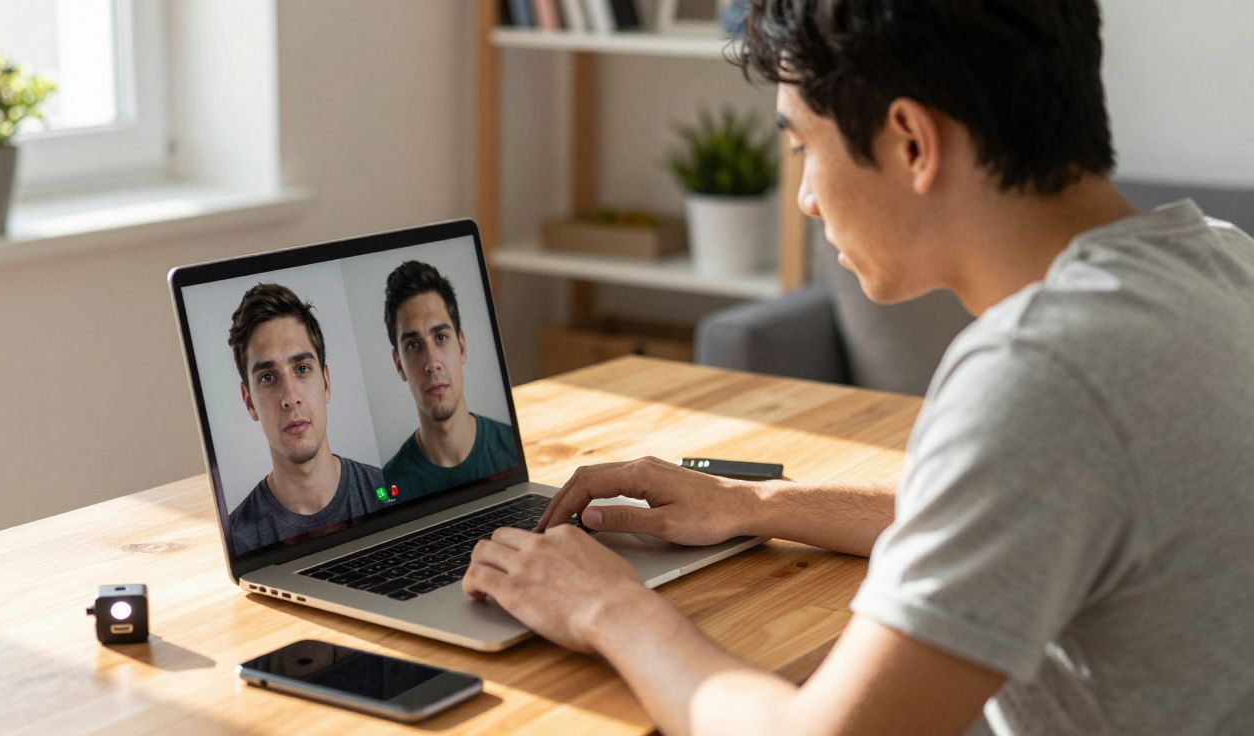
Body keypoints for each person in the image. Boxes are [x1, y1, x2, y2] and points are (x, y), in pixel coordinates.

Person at [460, 1, 1254, 734]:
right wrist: (751, 502)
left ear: (911, 140)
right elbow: (1016, 503)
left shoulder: (1040, 372)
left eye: (804, 145)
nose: (805, 197)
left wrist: (608, 608)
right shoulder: (1218, 262)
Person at [226, 283, 387, 555]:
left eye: (302, 369)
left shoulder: (386, 492)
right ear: (249, 402)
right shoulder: (240, 540)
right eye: (268, 377)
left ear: (325, 382)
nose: (290, 397)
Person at [381, 261, 518, 500]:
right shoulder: (389, 487)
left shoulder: (511, 447)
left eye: (441, 337)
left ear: (462, 346)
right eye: (413, 345)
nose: (432, 362)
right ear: (399, 364)